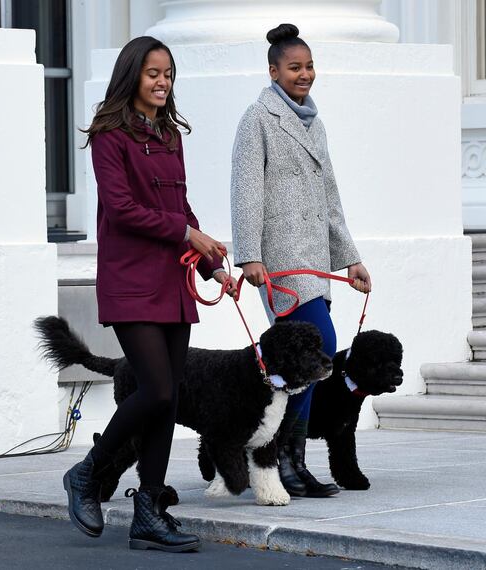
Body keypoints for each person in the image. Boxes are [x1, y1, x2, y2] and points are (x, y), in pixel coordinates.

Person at [63, 36, 237, 552]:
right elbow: (121, 210)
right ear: (131, 76)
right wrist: (188, 236)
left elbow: (183, 211)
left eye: (168, 74)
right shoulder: (108, 136)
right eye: (153, 73)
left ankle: (150, 513)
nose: (162, 82)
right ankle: (88, 472)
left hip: (173, 283)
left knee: (168, 401)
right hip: (131, 282)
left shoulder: (169, 135)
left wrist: (213, 267)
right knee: (157, 389)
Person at [230, 24, 371, 498]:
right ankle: (280, 460)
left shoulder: (316, 121)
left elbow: (330, 196)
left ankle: (291, 461)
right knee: (318, 348)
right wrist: (249, 254)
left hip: (315, 260)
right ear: (274, 71)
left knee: (304, 359)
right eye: (295, 67)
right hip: (280, 262)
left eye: (309, 66)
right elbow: (245, 190)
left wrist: (349, 258)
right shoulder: (258, 118)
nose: (305, 74)